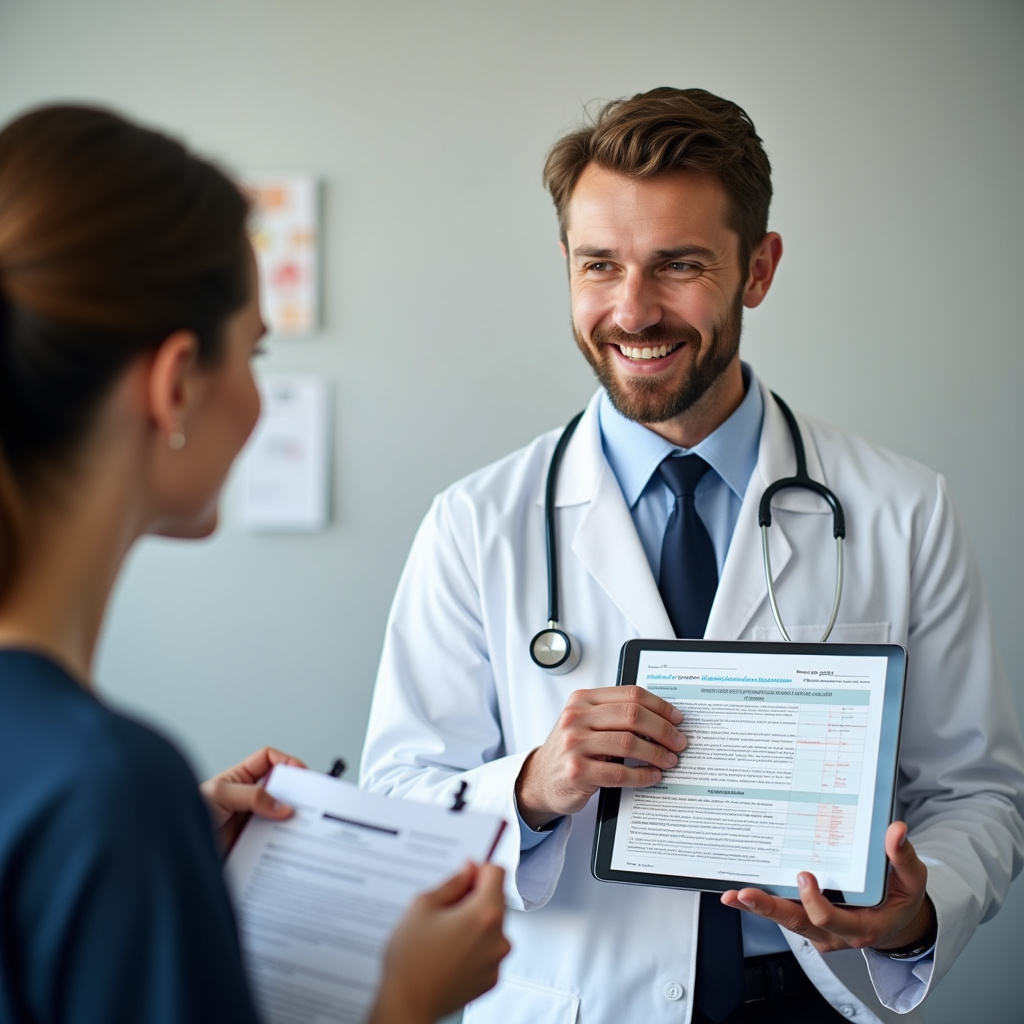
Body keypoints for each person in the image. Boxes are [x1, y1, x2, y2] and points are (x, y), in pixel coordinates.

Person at [360, 87, 1024, 1024]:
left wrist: (915, 911)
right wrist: (532, 786)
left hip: (812, 998)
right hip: (574, 1000)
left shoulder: (903, 507)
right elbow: (399, 798)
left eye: (678, 266)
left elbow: (976, 794)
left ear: (758, 269)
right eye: (599, 266)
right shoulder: (476, 522)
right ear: (566, 265)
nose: (632, 312)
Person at [0, 104, 509, 1024]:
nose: (258, 401)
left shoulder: (99, 796)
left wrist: (156, 852)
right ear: (175, 383)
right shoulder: (108, 785)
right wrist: (405, 1005)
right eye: (256, 353)